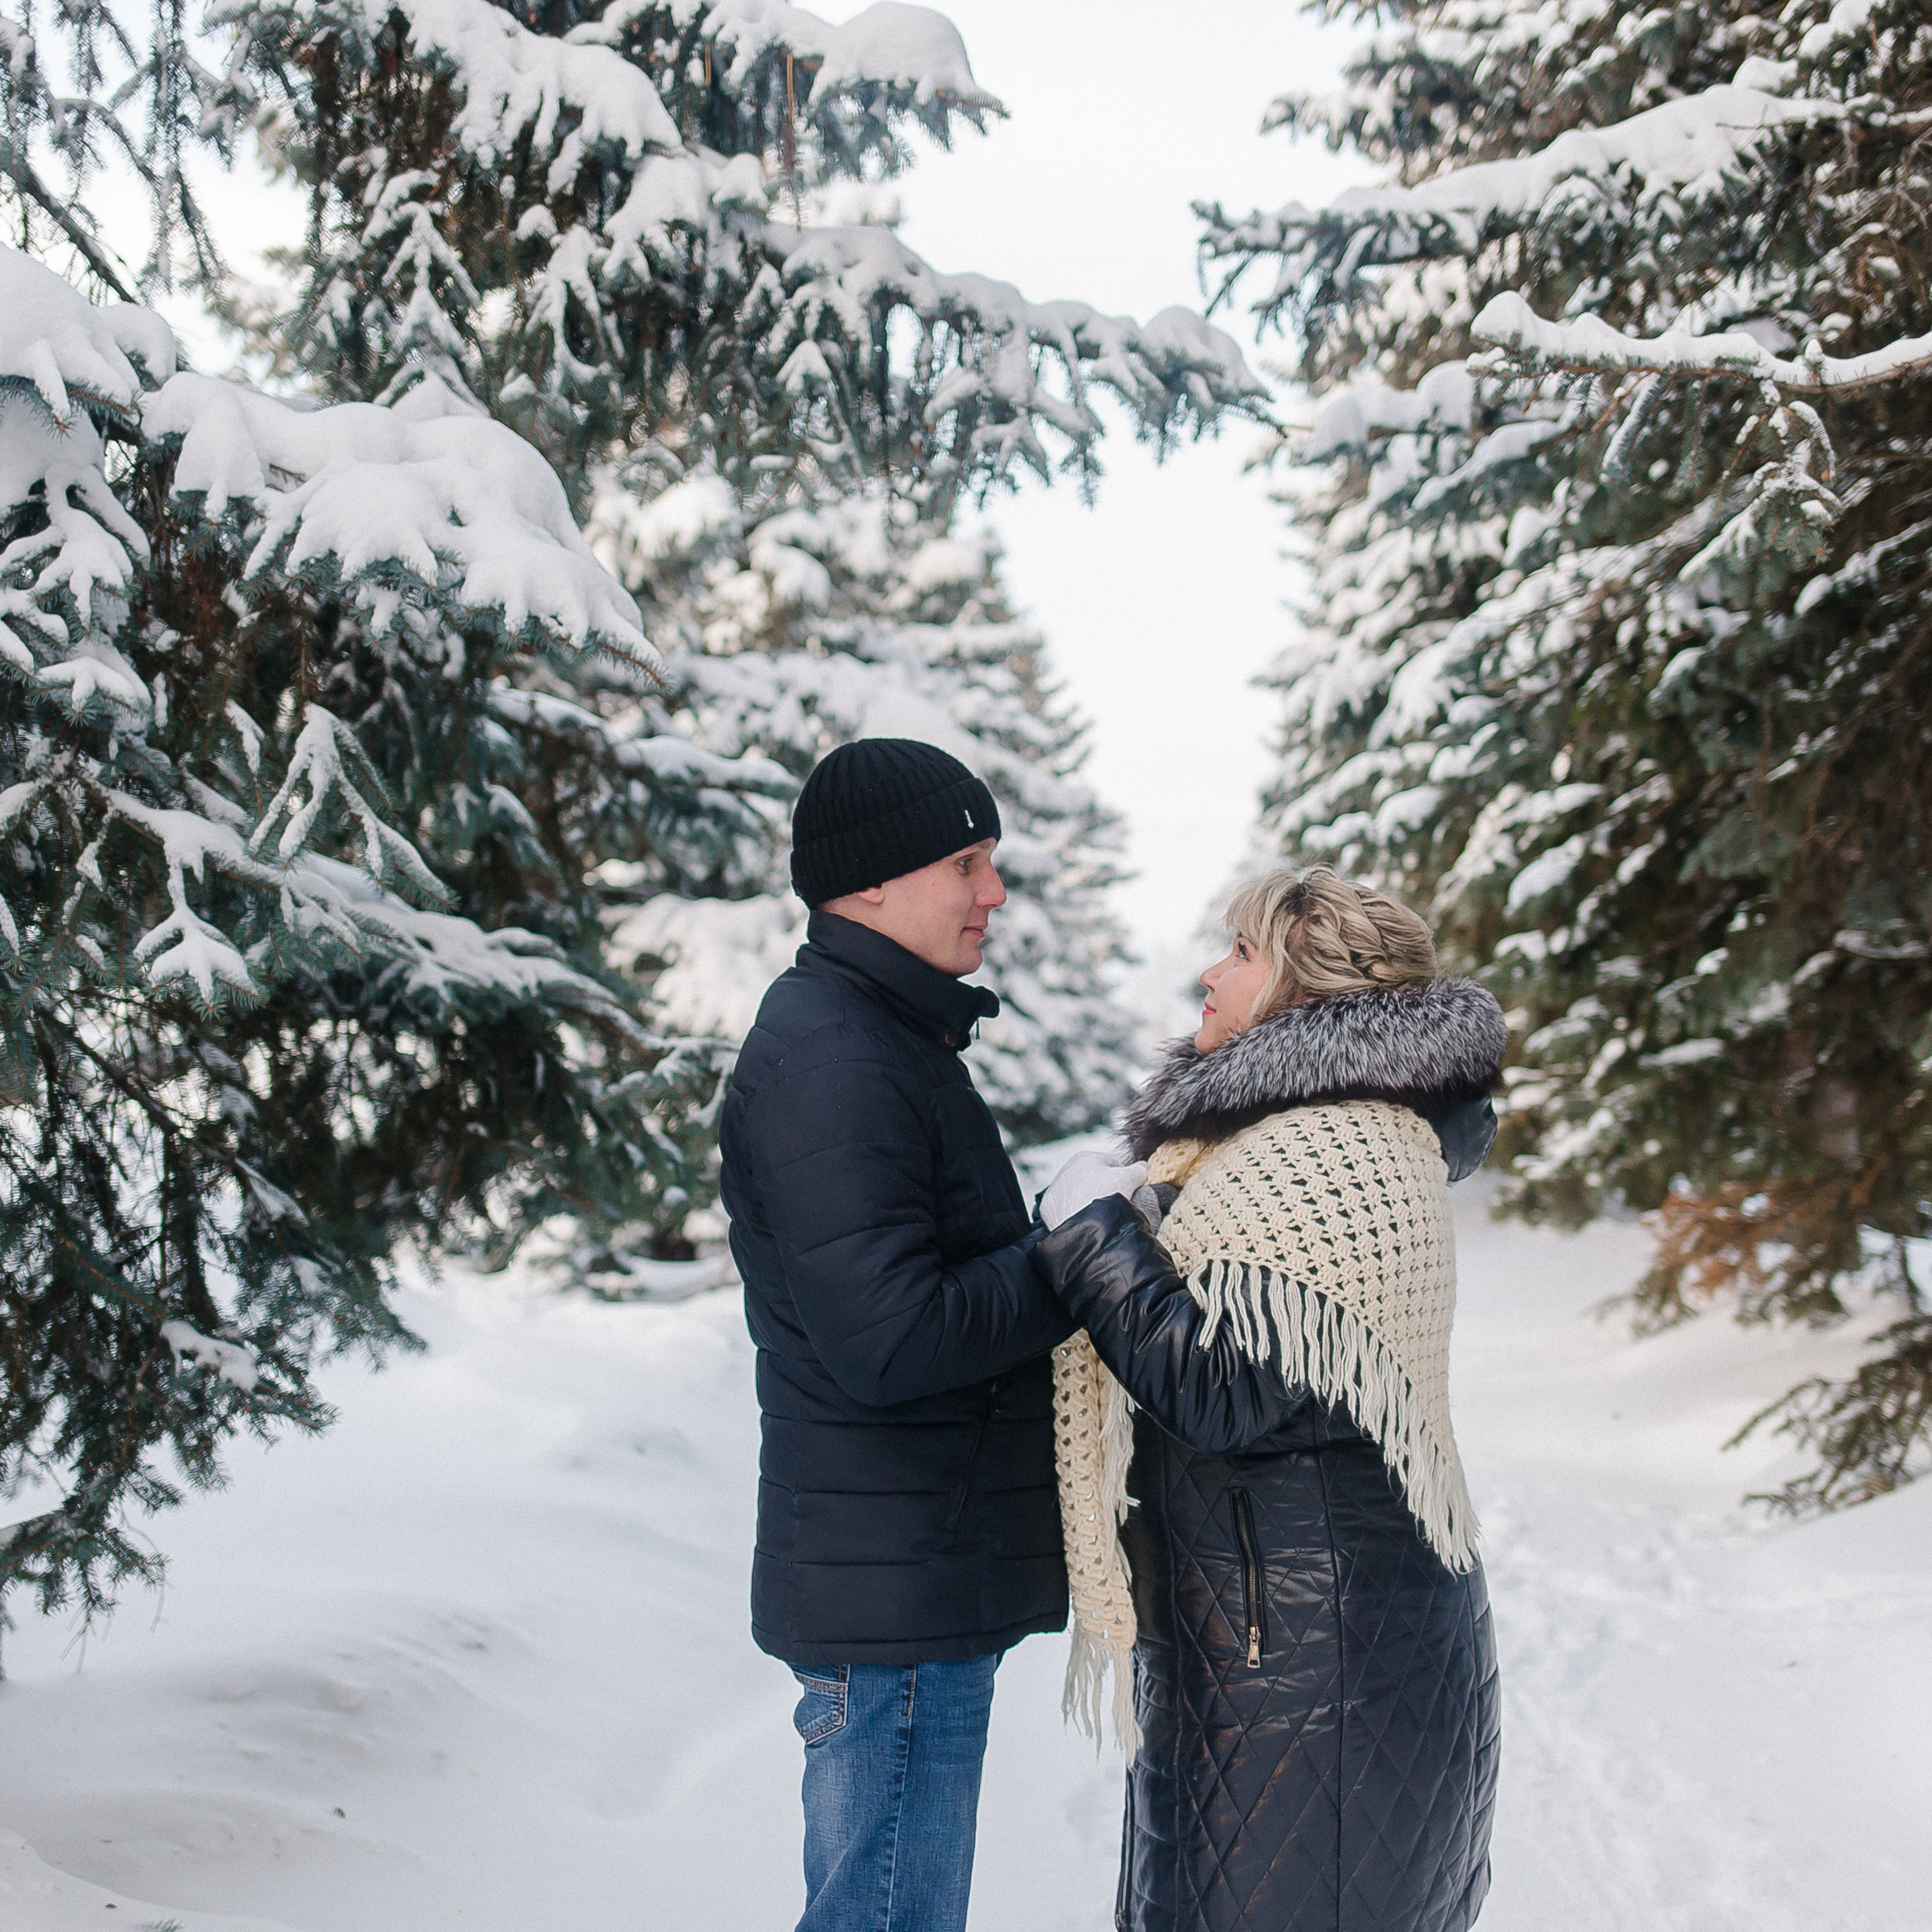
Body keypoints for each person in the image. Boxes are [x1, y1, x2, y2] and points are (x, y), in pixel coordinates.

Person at [1033, 865, 1507, 1932]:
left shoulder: (1337, 1150)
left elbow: (1228, 1387)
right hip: (1286, 1641)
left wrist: (1094, 1233)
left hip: (1303, 1666)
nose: (1210, 971)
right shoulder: (1290, 1140)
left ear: (1308, 986)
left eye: (1241, 952)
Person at [721, 737, 1119, 1932]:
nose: (993, 894)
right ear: (874, 881)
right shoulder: (834, 1056)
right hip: (889, 1601)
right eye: (968, 862)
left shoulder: (878, 1038)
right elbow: (888, 1339)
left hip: (909, 1581)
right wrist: (1073, 1251)